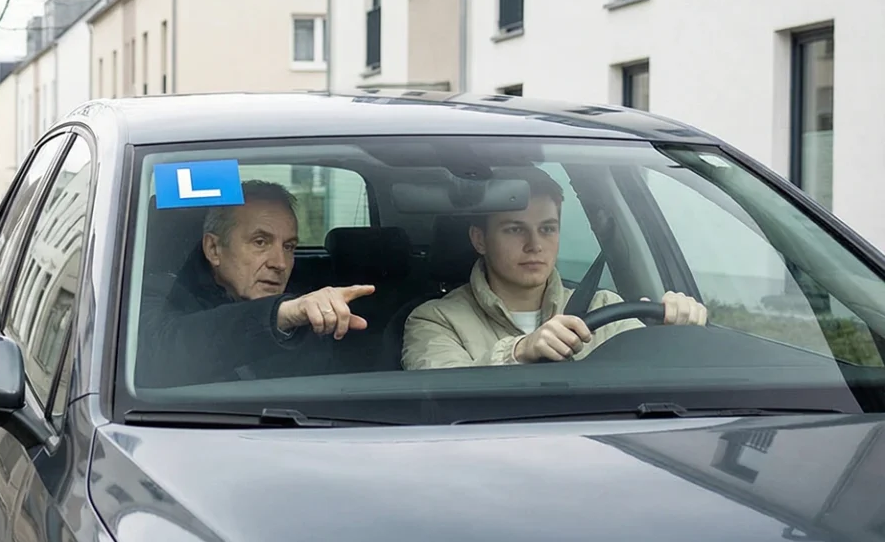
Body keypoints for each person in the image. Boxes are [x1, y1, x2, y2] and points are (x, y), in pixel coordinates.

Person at [401, 170, 708, 369]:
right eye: (514, 230)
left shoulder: (606, 308)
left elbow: (661, 381)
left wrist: (678, 335)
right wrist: (520, 352)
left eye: (547, 229)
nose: (535, 244)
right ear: (479, 239)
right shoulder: (435, 320)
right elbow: (438, 396)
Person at [137, 181, 376, 387]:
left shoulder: (311, 318)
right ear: (214, 249)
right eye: (260, 242)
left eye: (289, 246)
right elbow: (163, 350)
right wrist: (279, 316)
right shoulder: (161, 294)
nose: (280, 263)